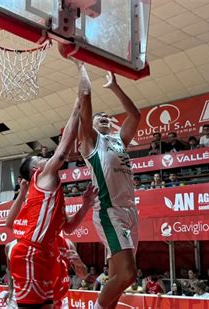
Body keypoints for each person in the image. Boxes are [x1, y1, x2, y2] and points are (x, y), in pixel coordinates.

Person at [5, 58, 94, 308]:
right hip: (31, 252)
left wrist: (86, 204)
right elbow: (63, 151)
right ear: (35, 169)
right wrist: (78, 102)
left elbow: (68, 227)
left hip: (44, 252)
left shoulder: (52, 194)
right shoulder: (43, 178)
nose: (47, 158)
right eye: (42, 158)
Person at [78, 71, 140, 309]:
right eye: (98, 116)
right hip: (110, 211)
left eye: (106, 116)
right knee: (128, 274)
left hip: (130, 212)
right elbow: (85, 110)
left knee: (118, 278)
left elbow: (135, 115)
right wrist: (85, 85)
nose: (103, 116)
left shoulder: (119, 140)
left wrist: (115, 87)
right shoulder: (91, 143)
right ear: (91, 126)